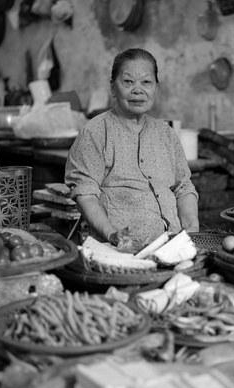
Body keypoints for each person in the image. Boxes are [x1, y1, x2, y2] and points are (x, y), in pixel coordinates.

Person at [65, 48, 199, 245]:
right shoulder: (95, 133)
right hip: (118, 248)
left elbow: (183, 187)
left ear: (156, 88)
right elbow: (85, 193)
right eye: (128, 82)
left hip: (170, 245)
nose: (138, 90)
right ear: (113, 88)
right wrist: (111, 234)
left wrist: (191, 228)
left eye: (146, 82)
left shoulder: (166, 134)